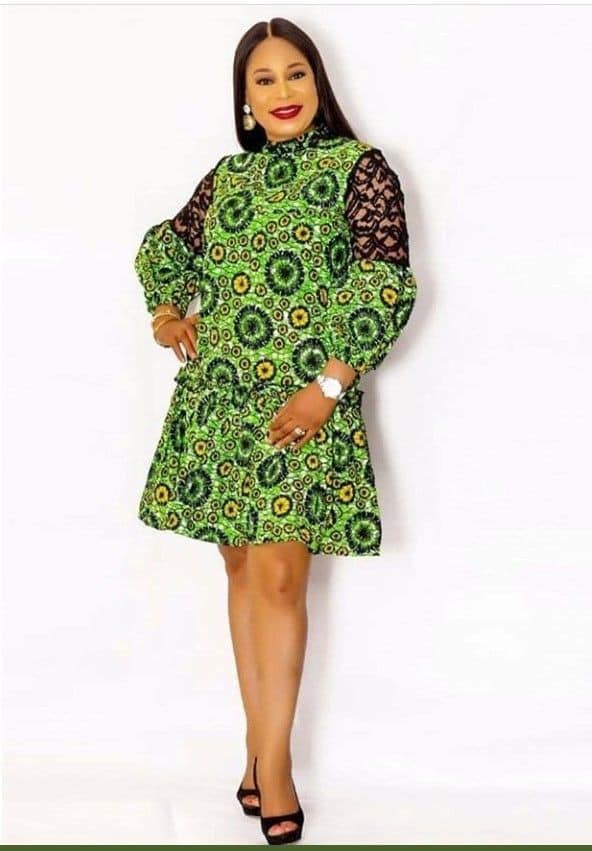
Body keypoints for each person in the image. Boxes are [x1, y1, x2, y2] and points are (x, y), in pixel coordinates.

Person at [133, 17, 418, 845]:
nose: (282, 91)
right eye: (263, 80)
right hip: (221, 401)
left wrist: (329, 387)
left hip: (303, 405)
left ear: (318, 83)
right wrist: (165, 312)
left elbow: (385, 281)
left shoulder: (360, 170)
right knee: (241, 571)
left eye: (296, 73)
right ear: (245, 100)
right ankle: (256, 752)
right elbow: (162, 249)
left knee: (282, 580)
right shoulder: (227, 179)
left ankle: (276, 763)